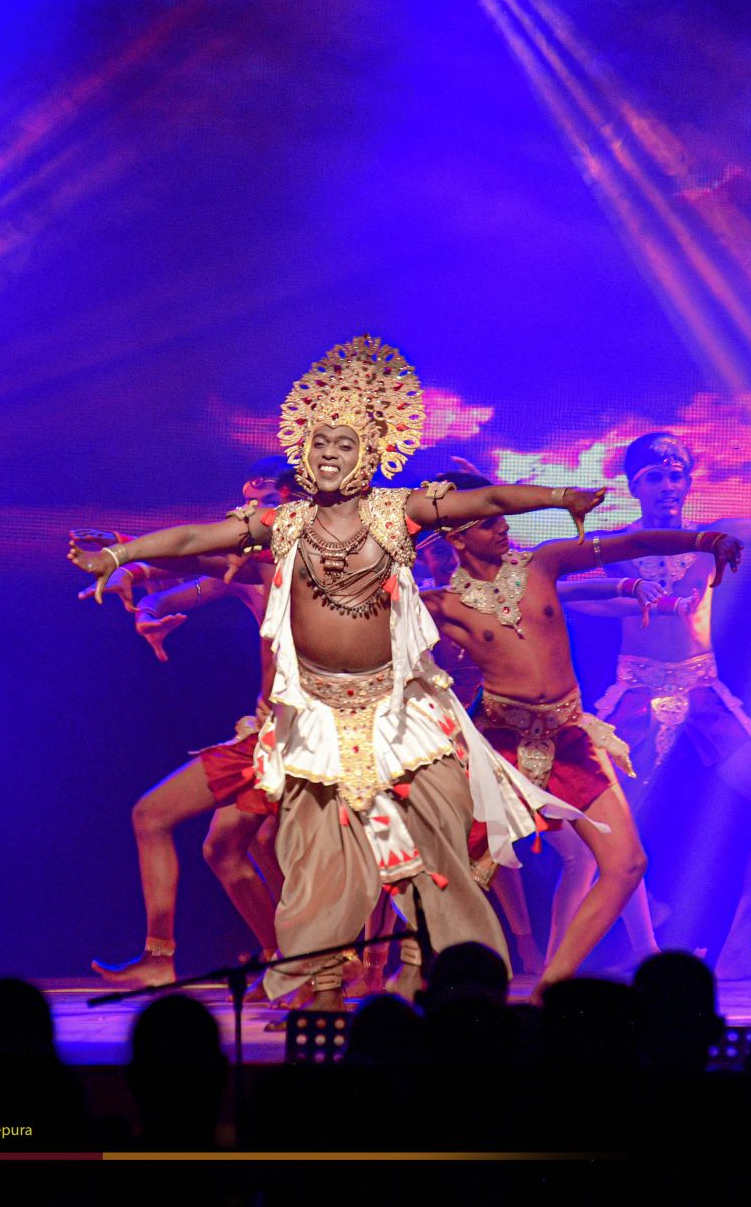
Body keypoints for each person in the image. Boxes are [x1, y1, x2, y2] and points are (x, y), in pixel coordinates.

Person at [70, 335, 600, 1010]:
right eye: (318, 443)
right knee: (308, 858)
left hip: (392, 722)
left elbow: (482, 501)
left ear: (369, 456)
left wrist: (556, 496)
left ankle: (433, 981)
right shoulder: (282, 524)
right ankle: (317, 984)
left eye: (343, 444)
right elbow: (196, 541)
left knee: (416, 856)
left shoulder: (396, 514)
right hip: (310, 725)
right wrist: (120, 556)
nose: (327, 454)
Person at [422, 470, 741, 991]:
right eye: (487, 523)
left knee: (627, 865)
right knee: (446, 868)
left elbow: (632, 544)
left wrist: (702, 539)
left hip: (569, 737)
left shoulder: (544, 563)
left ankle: (551, 988)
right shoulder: (439, 605)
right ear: (456, 536)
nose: (503, 529)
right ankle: (401, 982)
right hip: (499, 745)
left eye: (503, 519)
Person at [564, 430, 751, 980]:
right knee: (600, 827)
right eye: (655, 477)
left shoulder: (712, 539)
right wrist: (615, 603)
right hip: (637, 694)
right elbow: (560, 585)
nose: (669, 486)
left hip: (704, 694)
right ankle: (645, 947)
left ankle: (738, 950)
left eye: (677, 475)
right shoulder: (614, 547)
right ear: (634, 486)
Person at [83, 458, 295, 987]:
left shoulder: (306, 563)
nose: (255, 513)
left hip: (307, 735)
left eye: (268, 502)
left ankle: (312, 966)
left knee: (267, 845)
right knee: (221, 847)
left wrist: (127, 552)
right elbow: (184, 572)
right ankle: (276, 962)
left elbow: (193, 551)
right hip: (266, 735)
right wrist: (143, 601)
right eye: (250, 504)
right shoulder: (250, 570)